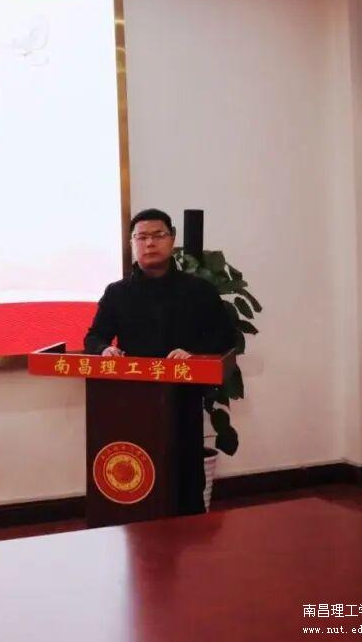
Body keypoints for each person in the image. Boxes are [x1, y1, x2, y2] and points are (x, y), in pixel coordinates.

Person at [84, 208, 234, 514]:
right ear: (132, 243)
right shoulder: (117, 293)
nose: (149, 243)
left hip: (182, 400)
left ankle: (188, 536)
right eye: (141, 237)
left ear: (172, 239)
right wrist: (104, 350)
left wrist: (193, 353)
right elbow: (94, 336)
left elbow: (225, 337)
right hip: (132, 402)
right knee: (137, 479)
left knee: (183, 482)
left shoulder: (199, 290)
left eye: (157, 235)